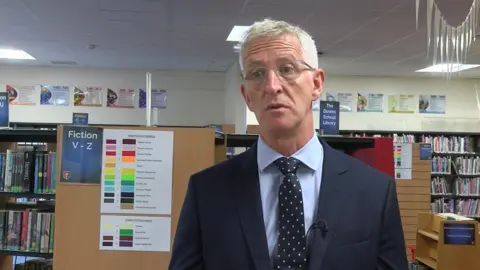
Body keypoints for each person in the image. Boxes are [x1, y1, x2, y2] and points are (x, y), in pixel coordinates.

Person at [169, 18, 408, 270]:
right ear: (246, 95)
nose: (272, 86)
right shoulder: (207, 191)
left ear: (316, 84)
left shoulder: (373, 191)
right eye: (257, 73)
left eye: (287, 69)